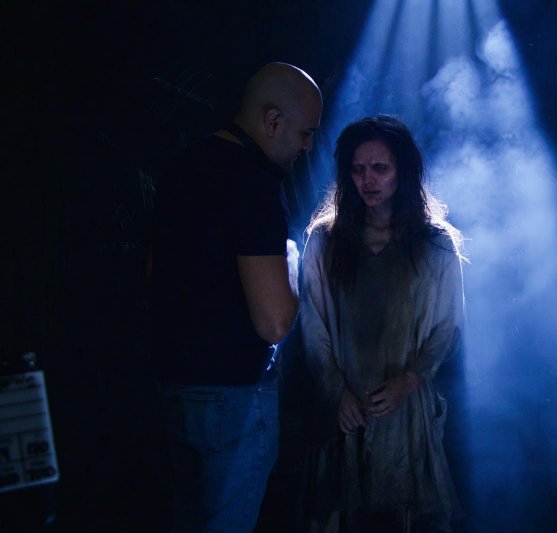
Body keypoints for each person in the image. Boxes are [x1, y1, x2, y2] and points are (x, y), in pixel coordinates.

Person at [151, 62, 322, 531]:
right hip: (231, 400)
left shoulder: (183, 166)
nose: (308, 147)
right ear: (273, 121)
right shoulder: (253, 183)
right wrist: (292, 268)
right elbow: (275, 322)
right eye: (306, 133)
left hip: (173, 388)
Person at [300, 115, 465, 532]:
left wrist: (411, 379)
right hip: (344, 408)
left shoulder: (435, 244)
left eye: (380, 168)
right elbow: (314, 326)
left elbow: (447, 327)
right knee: (340, 507)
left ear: (402, 170)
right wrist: (337, 391)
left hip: (405, 409)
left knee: (402, 511)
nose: (368, 180)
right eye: (358, 169)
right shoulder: (325, 241)